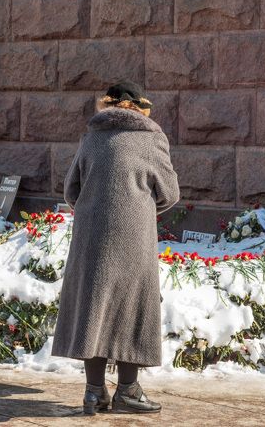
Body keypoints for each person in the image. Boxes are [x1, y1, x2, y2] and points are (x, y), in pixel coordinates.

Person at [51, 81, 180, 415]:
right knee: (131, 308)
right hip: (133, 236)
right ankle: (128, 391)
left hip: (90, 236)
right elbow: (170, 193)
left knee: (94, 307)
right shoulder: (152, 140)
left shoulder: (90, 138)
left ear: (104, 106)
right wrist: (139, 207)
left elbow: (70, 190)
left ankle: (94, 393)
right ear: (141, 107)